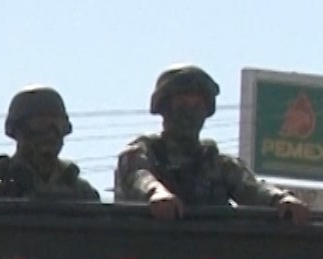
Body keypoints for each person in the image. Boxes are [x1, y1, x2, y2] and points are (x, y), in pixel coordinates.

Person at [115, 65, 312, 223]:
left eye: (197, 107)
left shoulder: (218, 163)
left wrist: (280, 199)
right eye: (182, 106)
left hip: (212, 250)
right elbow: (138, 175)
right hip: (149, 248)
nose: (190, 114)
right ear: (165, 108)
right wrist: (156, 194)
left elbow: (251, 188)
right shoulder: (143, 152)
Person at [0, 86, 101, 203]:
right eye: (40, 124)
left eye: (58, 125)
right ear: (18, 130)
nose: (51, 134)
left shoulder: (81, 191)